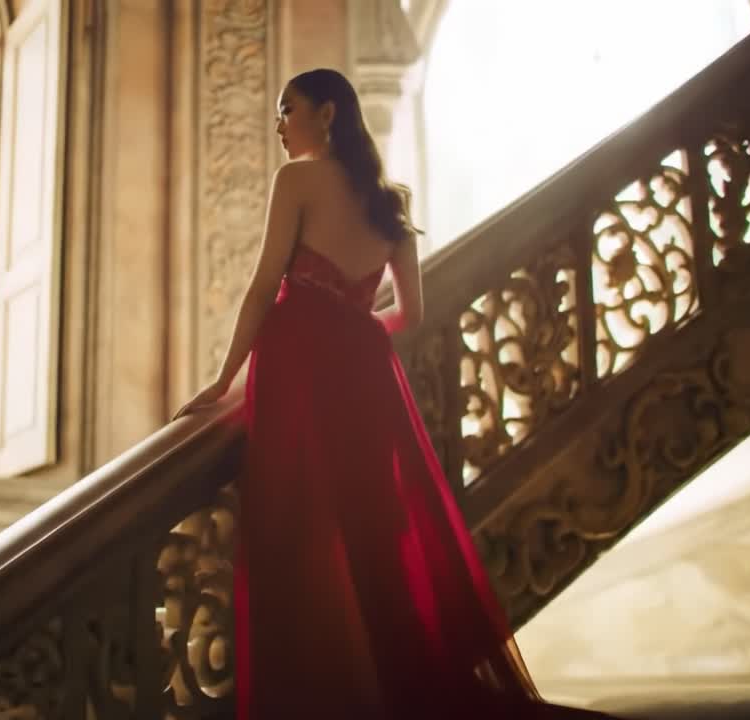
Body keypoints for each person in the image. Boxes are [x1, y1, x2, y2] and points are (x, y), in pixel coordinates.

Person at [174, 69, 614, 719]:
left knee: (296, 533)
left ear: (327, 113)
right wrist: (350, 326)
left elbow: (265, 285)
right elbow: (409, 314)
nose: (278, 124)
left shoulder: (296, 180)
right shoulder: (390, 203)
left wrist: (223, 378)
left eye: (287, 109)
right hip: (365, 374)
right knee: (371, 533)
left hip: (300, 369)